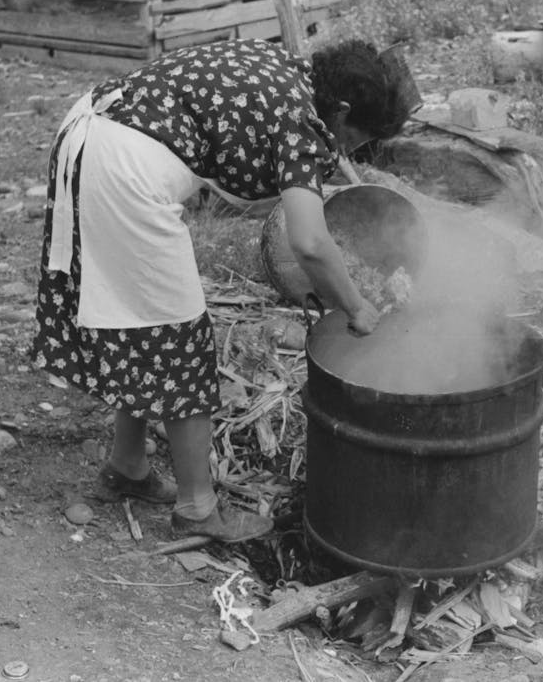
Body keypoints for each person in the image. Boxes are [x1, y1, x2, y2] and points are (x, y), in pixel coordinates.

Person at [32, 39, 416, 543]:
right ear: (342, 110)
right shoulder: (303, 124)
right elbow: (311, 243)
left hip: (93, 131)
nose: (353, 150)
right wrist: (357, 306)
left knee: (140, 317)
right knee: (180, 339)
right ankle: (197, 508)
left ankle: (127, 466)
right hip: (125, 168)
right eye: (359, 136)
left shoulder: (295, 69)